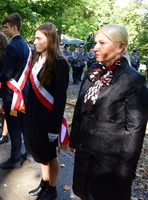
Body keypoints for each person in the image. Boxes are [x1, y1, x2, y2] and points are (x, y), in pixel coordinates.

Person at [69, 24, 148, 200]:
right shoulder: (92, 73)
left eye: (102, 43)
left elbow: (135, 129)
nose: (95, 47)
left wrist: (125, 171)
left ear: (120, 47)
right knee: (84, 193)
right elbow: (80, 108)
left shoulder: (133, 80)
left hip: (109, 160)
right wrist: (74, 139)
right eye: (96, 42)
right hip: (85, 150)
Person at [23, 22, 70, 200]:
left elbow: (60, 99)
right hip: (33, 115)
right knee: (38, 151)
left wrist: (53, 127)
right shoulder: (38, 57)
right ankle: (44, 182)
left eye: (38, 38)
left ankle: (52, 188)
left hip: (47, 118)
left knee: (49, 154)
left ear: (49, 39)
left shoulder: (59, 63)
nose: (34, 42)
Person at [0, 13, 32, 169]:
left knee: (14, 127)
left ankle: (14, 159)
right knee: (23, 125)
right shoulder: (26, 46)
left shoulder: (12, 46)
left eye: (6, 28)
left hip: (12, 95)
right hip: (23, 93)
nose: (5, 31)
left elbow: (6, 74)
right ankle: (28, 152)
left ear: (15, 27)